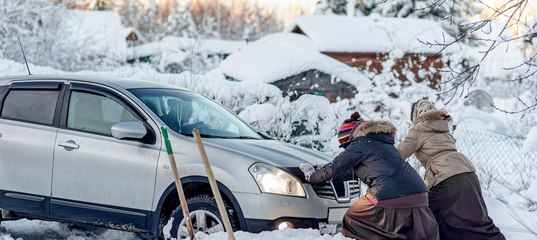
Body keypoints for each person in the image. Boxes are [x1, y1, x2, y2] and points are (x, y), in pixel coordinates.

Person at [300, 112, 439, 240]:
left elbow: (335, 168)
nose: (347, 149)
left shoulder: (360, 143)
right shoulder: (382, 144)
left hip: (389, 194)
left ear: (351, 137)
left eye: (346, 145)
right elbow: (363, 169)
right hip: (420, 194)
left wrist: (312, 176)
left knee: (353, 216)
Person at [398, 99, 505, 240]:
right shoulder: (443, 127)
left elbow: (397, 155)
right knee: (477, 221)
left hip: (445, 177)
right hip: (468, 175)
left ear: (416, 115)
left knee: (429, 218)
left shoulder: (418, 128)